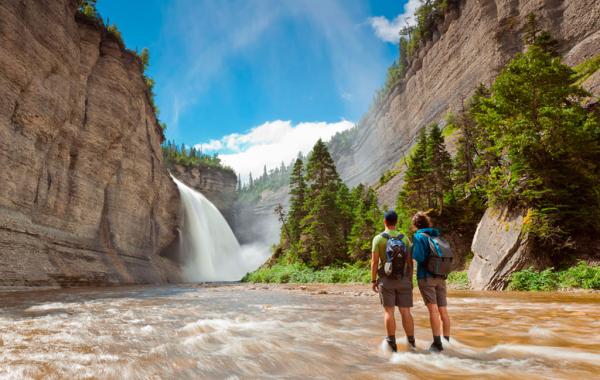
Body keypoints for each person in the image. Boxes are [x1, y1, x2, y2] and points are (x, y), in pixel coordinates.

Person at [370, 210, 415, 353]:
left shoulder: (378, 239)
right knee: (405, 312)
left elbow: (374, 262)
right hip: (403, 279)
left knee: (389, 312)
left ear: (384, 221)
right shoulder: (405, 238)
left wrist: (373, 280)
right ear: (396, 222)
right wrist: (409, 279)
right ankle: (411, 344)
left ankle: (392, 344)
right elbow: (410, 261)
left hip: (386, 280)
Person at [411, 211, 451, 352]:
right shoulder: (437, 236)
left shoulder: (418, 237)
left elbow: (419, 257)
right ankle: (447, 341)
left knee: (433, 311)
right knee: (443, 311)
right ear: (428, 223)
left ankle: (437, 343)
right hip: (441, 277)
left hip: (426, 277)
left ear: (415, 225)